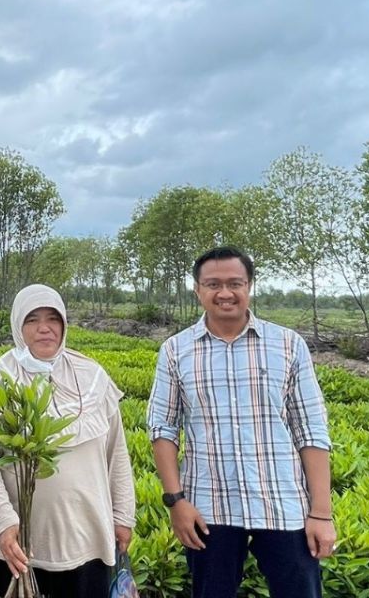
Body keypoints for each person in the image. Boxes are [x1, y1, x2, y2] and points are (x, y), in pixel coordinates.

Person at [147, 246, 336, 598]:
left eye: (235, 283)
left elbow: (310, 430)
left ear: (250, 285)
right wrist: (176, 501)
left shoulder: (287, 345)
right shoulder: (175, 350)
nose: (224, 293)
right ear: (197, 289)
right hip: (208, 506)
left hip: (283, 502)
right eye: (213, 284)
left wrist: (321, 514)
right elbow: (163, 428)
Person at [0, 284, 136, 598]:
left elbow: (117, 453)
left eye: (53, 318)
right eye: (32, 320)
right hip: (24, 545)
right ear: (18, 326)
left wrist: (123, 515)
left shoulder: (93, 375)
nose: (44, 328)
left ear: (64, 324)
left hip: (91, 540)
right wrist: (2, 523)